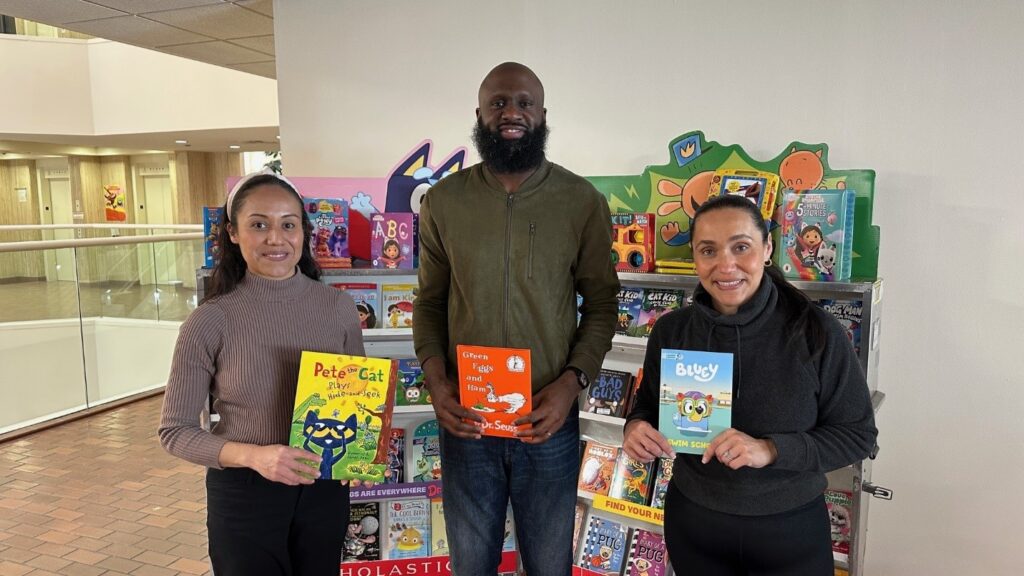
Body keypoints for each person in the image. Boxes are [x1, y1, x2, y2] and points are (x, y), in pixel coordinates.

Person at [413, 62, 620, 576]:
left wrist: (572, 385)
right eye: (499, 103)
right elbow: (429, 303)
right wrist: (437, 385)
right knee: (472, 562)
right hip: (468, 420)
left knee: (550, 563)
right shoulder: (443, 201)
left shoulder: (581, 202)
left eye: (524, 103)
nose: (512, 114)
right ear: (479, 114)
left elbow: (602, 304)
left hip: (548, 420)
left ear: (542, 114)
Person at [622, 194, 878, 575]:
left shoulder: (816, 332)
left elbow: (859, 437)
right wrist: (636, 427)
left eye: (741, 247)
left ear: (767, 248)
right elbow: (646, 405)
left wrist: (771, 450)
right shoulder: (672, 330)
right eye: (708, 251)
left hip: (789, 530)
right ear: (694, 257)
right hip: (694, 522)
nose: (726, 266)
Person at [158, 170, 365, 576]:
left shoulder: (338, 308)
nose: (276, 238)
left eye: (288, 224)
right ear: (233, 233)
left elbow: (354, 400)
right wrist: (256, 457)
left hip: (323, 487)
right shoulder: (210, 320)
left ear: (303, 232)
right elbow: (175, 432)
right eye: (259, 225)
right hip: (244, 492)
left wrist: (357, 458)